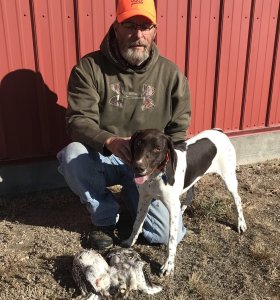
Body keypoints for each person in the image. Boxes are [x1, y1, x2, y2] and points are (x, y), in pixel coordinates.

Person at [57, 0, 191, 250]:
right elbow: (77, 121)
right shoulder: (89, 68)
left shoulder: (171, 74)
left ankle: (138, 200)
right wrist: (111, 141)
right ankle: (105, 218)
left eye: (145, 26)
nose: (138, 34)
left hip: (148, 164)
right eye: (129, 25)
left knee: (161, 235)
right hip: (105, 156)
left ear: (155, 30)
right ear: (116, 27)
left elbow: (178, 132)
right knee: (72, 154)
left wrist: (168, 173)